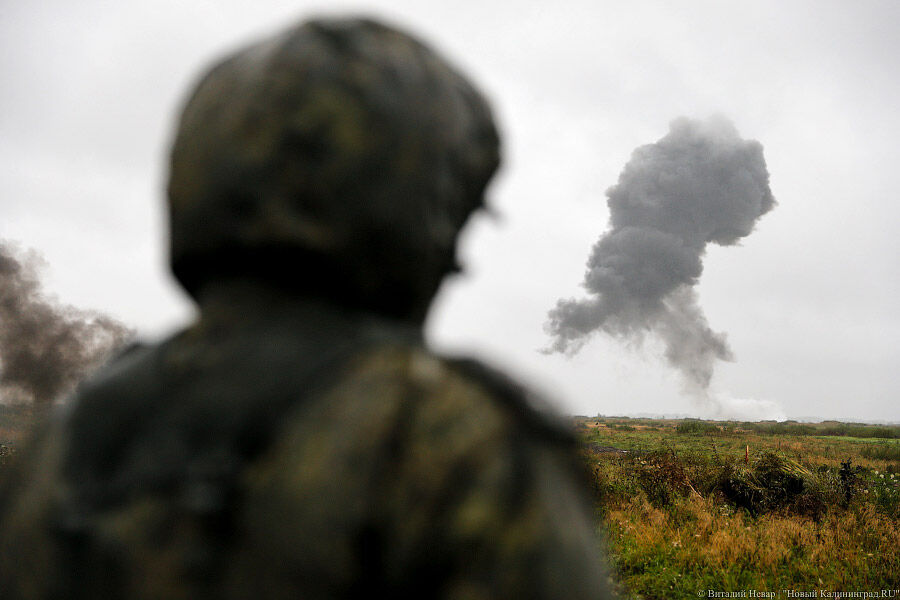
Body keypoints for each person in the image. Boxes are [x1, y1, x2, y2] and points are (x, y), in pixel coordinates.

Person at [0, 17, 614, 599]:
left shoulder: (52, 453)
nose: (459, 265)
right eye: (453, 214)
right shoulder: (456, 448)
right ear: (402, 207)